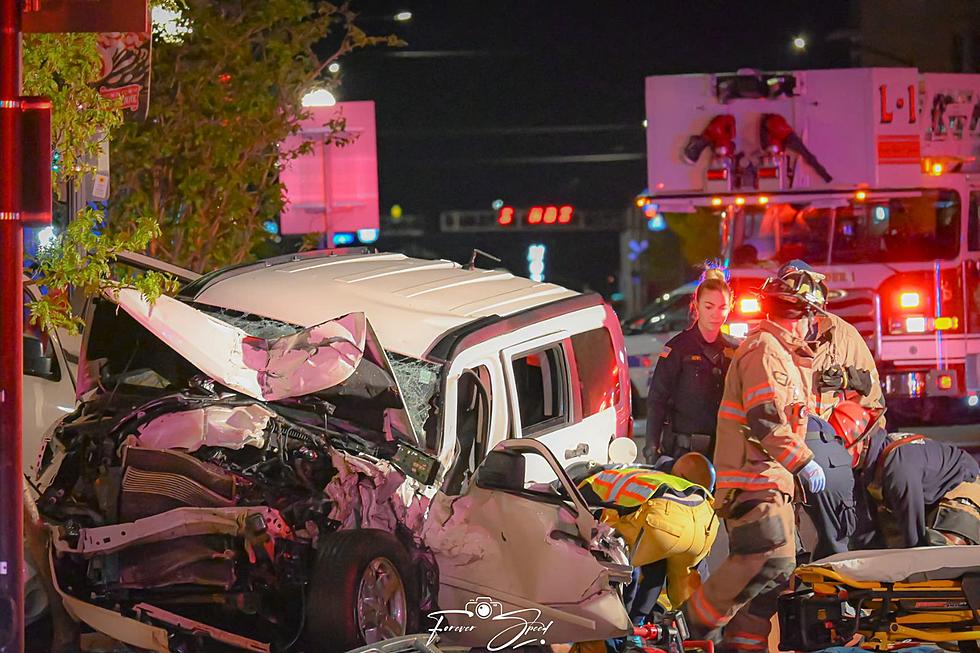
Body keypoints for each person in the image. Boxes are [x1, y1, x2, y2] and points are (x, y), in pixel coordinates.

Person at [681, 270, 826, 651]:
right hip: (752, 477)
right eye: (811, 314)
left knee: (778, 570)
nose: (813, 323)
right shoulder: (765, 351)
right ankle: (690, 624)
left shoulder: (783, 355)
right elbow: (766, 418)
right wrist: (803, 461)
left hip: (770, 479)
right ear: (797, 312)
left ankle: (741, 645)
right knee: (762, 556)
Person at [774, 260, 884, 560]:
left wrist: (848, 379)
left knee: (840, 536)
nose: (802, 320)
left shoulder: (843, 337)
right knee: (785, 545)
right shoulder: (770, 341)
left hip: (836, 452)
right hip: (786, 452)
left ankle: (838, 591)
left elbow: (874, 401)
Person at [572, 453, 719, 622]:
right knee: (682, 582)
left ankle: (627, 626)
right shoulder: (696, 488)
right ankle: (693, 629)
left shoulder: (613, 476)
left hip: (665, 518)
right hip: (705, 522)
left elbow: (578, 491)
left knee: (616, 556)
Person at [829, 400, 980, 548]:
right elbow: (866, 530)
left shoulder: (898, 467)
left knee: (939, 552)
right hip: (931, 501)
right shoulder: (870, 465)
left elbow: (914, 534)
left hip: (962, 486)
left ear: (859, 446)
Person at [645, 268, 739, 465]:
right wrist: (652, 447)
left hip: (725, 453)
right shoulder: (678, 348)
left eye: (722, 307)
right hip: (684, 454)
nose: (716, 314)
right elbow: (657, 400)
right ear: (696, 305)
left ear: (731, 307)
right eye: (709, 306)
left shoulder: (736, 350)